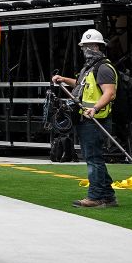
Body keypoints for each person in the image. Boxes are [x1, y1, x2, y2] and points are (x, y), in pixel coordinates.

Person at [50, 29, 119, 208]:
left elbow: (110, 93)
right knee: (94, 158)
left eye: (90, 45)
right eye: (85, 46)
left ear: (98, 46)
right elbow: (81, 85)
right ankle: (108, 196)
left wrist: (94, 109)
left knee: (93, 159)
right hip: (86, 119)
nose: (87, 49)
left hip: (96, 121)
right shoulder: (90, 68)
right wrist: (63, 79)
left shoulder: (103, 68)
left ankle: (96, 197)